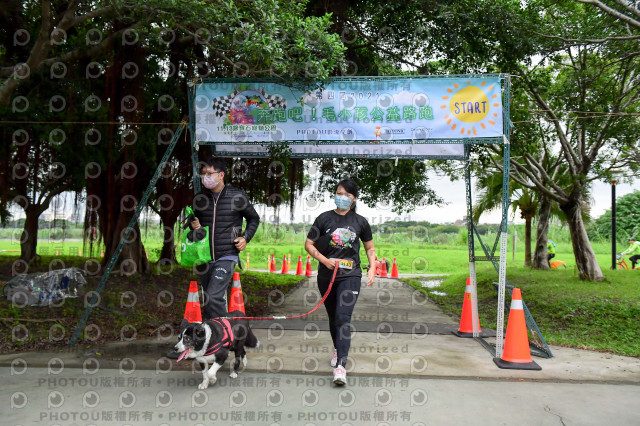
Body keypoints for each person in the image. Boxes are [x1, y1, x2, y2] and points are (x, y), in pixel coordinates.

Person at [167, 157, 260, 359]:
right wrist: (195, 226)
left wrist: (245, 238)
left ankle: (224, 338)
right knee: (208, 302)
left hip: (227, 255)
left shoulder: (237, 196)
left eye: (210, 173)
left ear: (221, 175)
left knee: (213, 296)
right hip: (204, 256)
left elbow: (254, 218)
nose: (205, 177)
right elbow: (194, 229)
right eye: (203, 174)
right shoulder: (200, 198)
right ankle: (209, 344)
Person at [305, 178, 376, 386]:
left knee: (343, 317)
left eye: (347, 195)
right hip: (326, 275)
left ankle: (341, 367)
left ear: (354, 199)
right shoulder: (323, 218)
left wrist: (372, 267)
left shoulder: (360, 222)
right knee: (333, 317)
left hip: (350, 275)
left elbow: (370, 247)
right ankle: (338, 348)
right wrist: (324, 260)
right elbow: (309, 244)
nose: (342, 197)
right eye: (339, 193)